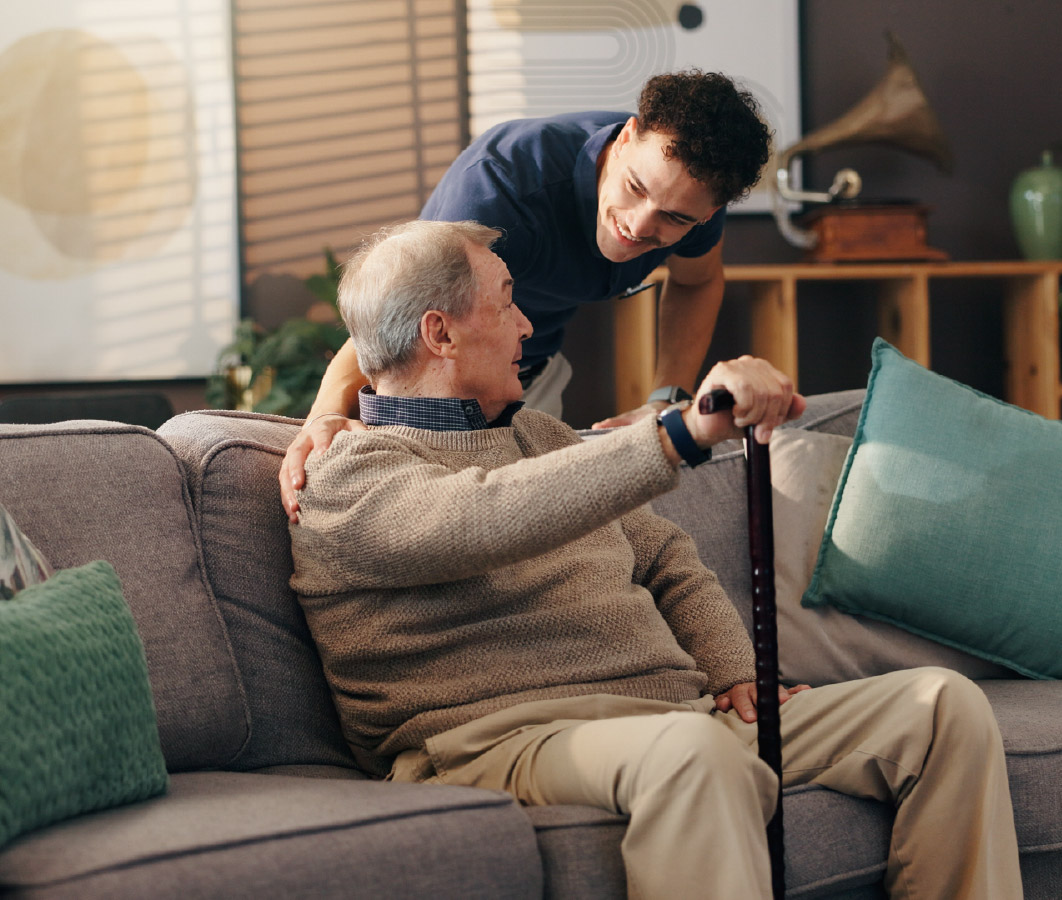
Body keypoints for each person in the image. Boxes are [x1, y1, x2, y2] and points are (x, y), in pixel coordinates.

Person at [287, 219, 1023, 900]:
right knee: (692, 752)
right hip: (494, 740)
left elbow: (667, 558)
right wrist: (680, 433)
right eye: (507, 302)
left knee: (940, 708)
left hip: (672, 715)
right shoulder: (347, 474)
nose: (527, 325)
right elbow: (481, 518)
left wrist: (735, 670)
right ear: (440, 332)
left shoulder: (542, 438)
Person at [278, 70, 772, 523]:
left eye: (674, 218)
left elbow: (695, 282)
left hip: (529, 375)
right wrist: (323, 418)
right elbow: (399, 319)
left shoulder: (696, 193)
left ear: (707, 215)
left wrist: (663, 400)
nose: (639, 226)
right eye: (635, 188)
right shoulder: (500, 186)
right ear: (625, 140)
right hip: (432, 385)